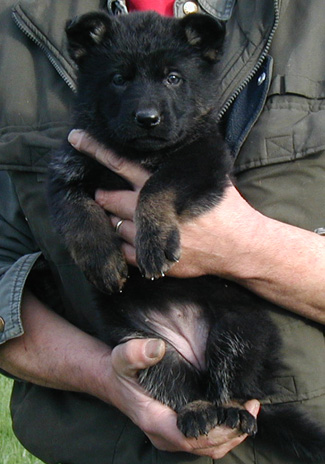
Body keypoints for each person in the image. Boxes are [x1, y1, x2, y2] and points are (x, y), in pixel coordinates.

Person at [0, 0, 324, 463]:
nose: (147, 107)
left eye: (172, 78)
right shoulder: (15, 24)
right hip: (113, 419)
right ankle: (192, 404)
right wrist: (108, 379)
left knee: (239, 330)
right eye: (121, 79)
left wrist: (242, 246)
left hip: (243, 351)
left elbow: (200, 165)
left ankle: (227, 403)